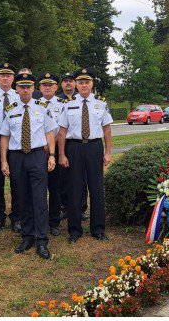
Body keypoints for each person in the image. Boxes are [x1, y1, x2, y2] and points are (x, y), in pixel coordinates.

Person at [0, 73, 58, 259]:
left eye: (28, 86)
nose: (25, 90)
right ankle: (27, 236)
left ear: (33, 89)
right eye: (21, 86)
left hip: (37, 156)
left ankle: (41, 239)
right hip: (17, 158)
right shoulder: (10, 109)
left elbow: (49, 133)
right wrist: (4, 160)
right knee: (21, 197)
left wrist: (52, 155)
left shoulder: (42, 107)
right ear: (17, 88)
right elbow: (4, 137)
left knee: (39, 198)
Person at [57, 68, 112, 243]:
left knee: (96, 188)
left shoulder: (101, 103)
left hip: (94, 147)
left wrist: (108, 152)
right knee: (74, 189)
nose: (83, 85)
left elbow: (107, 129)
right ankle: (74, 231)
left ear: (91, 84)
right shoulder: (68, 104)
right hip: (74, 148)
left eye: (87, 82)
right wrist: (61, 154)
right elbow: (62, 131)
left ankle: (98, 230)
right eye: (80, 82)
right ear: (76, 85)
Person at [0, 63, 21, 233]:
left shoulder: (19, 96)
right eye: (2, 75)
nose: (5, 78)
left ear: (13, 79)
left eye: (8, 75)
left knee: (17, 179)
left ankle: (17, 215)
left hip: (15, 142)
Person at [38, 73, 67, 236]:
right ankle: (39, 219)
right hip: (37, 152)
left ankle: (54, 222)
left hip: (54, 151)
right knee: (38, 188)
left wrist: (51, 146)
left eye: (51, 85)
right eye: (44, 85)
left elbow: (63, 128)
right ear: (40, 87)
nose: (47, 87)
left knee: (55, 188)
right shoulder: (34, 104)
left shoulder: (63, 104)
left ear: (56, 87)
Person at [55, 72, 86, 221]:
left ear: (75, 84)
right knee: (64, 177)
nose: (68, 84)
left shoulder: (81, 99)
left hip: (76, 142)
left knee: (81, 176)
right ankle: (65, 206)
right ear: (61, 85)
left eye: (71, 81)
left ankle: (81, 207)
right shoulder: (56, 100)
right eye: (65, 81)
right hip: (60, 142)